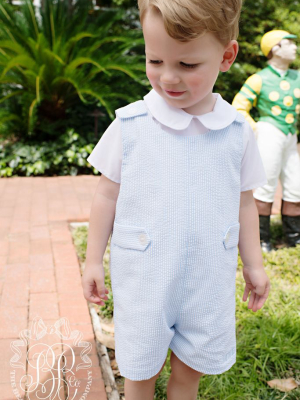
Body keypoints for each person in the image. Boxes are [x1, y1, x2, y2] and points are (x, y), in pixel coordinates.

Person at [81, 1, 271, 399]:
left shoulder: (236, 132)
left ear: (226, 56)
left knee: (188, 375)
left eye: (187, 65)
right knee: (140, 371)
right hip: (144, 276)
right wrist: (93, 259)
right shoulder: (131, 124)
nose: (168, 77)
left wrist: (253, 263)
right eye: (155, 60)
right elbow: (106, 194)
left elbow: (244, 203)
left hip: (207, 278)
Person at [232, 30, 300, 252]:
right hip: (269, 133)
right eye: (289, 43)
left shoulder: (297, 77)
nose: (295, 47)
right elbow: (239, 106)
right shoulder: (259, 78)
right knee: (265, 185)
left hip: (291, 135)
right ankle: (262, 240)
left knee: (295, 186)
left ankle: (294, 238)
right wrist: (255, 128)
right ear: (275, 48)